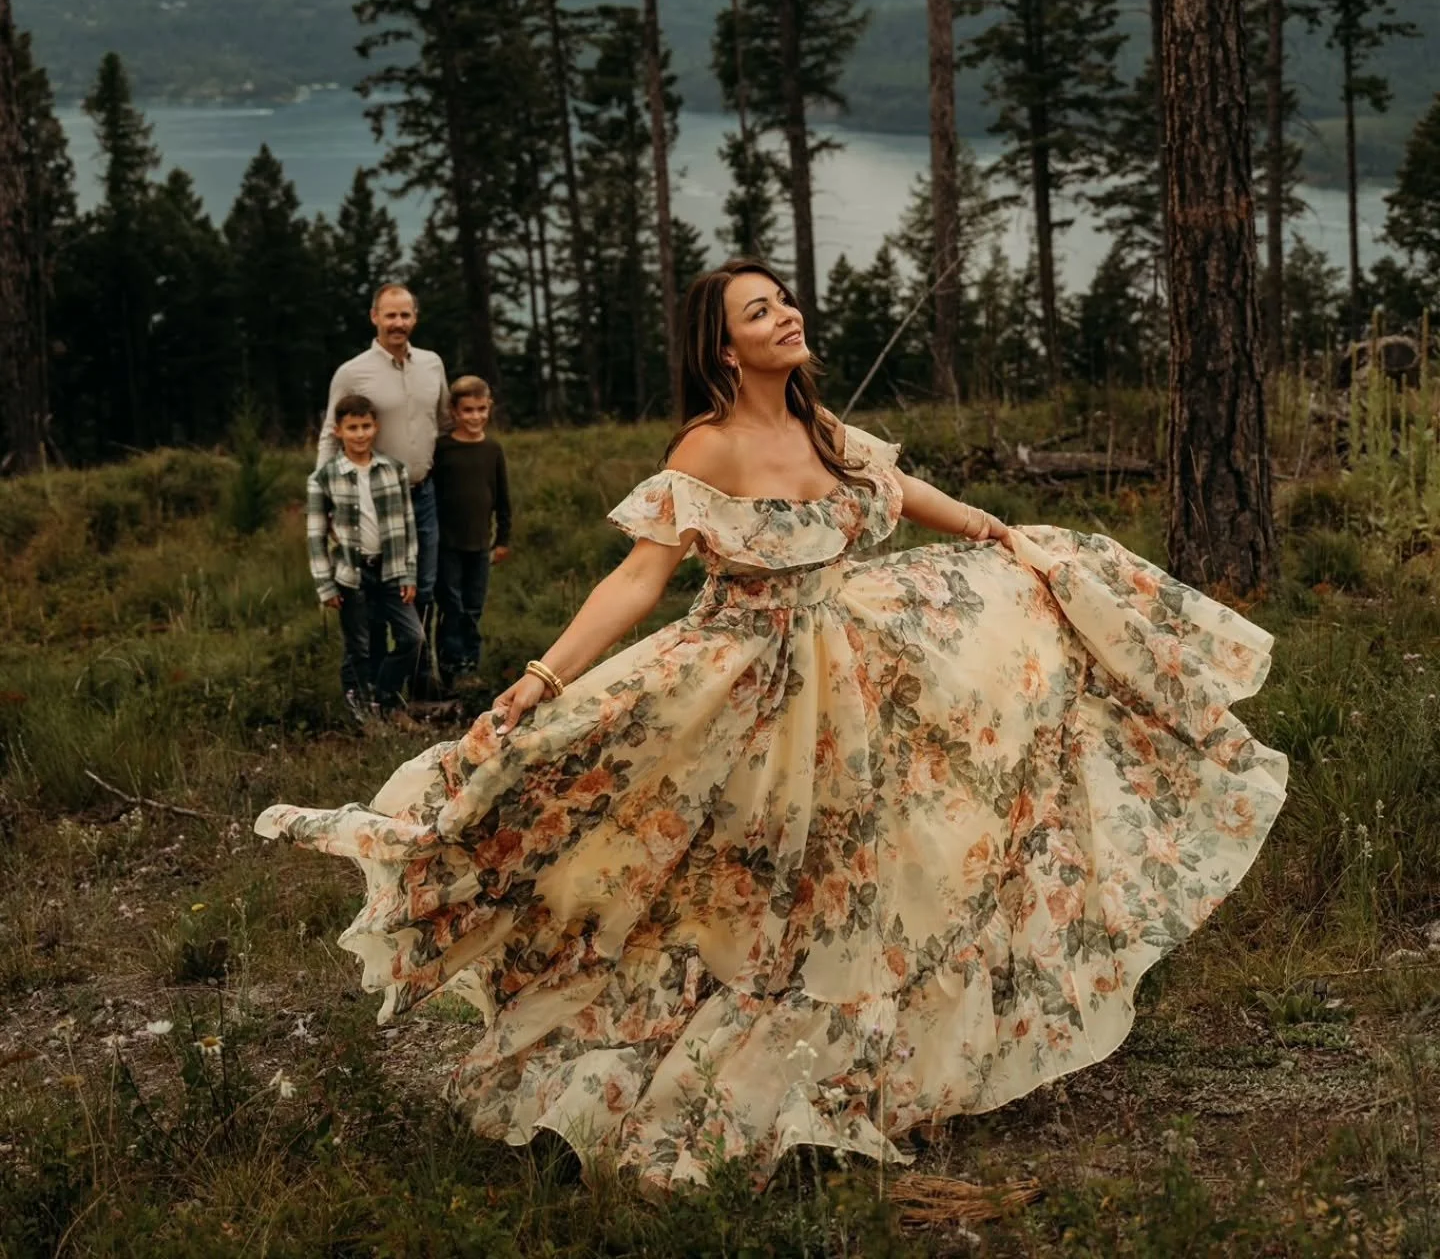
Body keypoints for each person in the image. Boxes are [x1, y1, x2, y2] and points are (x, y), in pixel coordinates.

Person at [259, 259, 1287, 1192]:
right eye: (762, 310)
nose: (787, 313)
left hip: (860, 671)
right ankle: (670, 1056)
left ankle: (875, 1062)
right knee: (742, 877)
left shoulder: (817, 424)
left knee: (876, 869)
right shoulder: (708, 446)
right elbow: (638, 576)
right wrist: (541, 675)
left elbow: (892, 483)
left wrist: (991, 531)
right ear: (723, 347)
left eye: (785, 299)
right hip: (750, 686)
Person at [317, 283, 450, 630]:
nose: (397, 323)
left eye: (405, 315)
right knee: (376, 594)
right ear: (375, 317)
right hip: (373, 500)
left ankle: (421, 672)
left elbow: (446, 423)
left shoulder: (432, 364)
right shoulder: (352, 373)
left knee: (424, 587)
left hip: (424, 495)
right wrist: (324, 499)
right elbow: (330, 436)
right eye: (390, 315)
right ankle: (377, 675)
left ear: (415, 319)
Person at [306, 391, 424, 725]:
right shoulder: (323, 478)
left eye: (366, 426)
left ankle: (386, 697)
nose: (360, 434)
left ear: (376, 428)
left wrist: (409, 573)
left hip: (390, 569)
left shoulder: (393, 470)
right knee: (359, 645)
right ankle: (361, 710)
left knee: (412, 638)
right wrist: (325, 586)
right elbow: (315, 535)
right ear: (339, 431)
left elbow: (407, 525)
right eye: (353, 427)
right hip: (350, 574)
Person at [432, 374, 512, 690]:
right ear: (454, 411)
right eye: (468, 410)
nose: (475, 417)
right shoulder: (442, 450)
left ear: (489, 407)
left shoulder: (492, 449)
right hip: (446, 545)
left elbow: (503, 499)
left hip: (480, 544)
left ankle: (470, 665)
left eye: (481, 409)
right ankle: (451, 669)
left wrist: (503, 538)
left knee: (473, 607)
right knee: (451, 607)